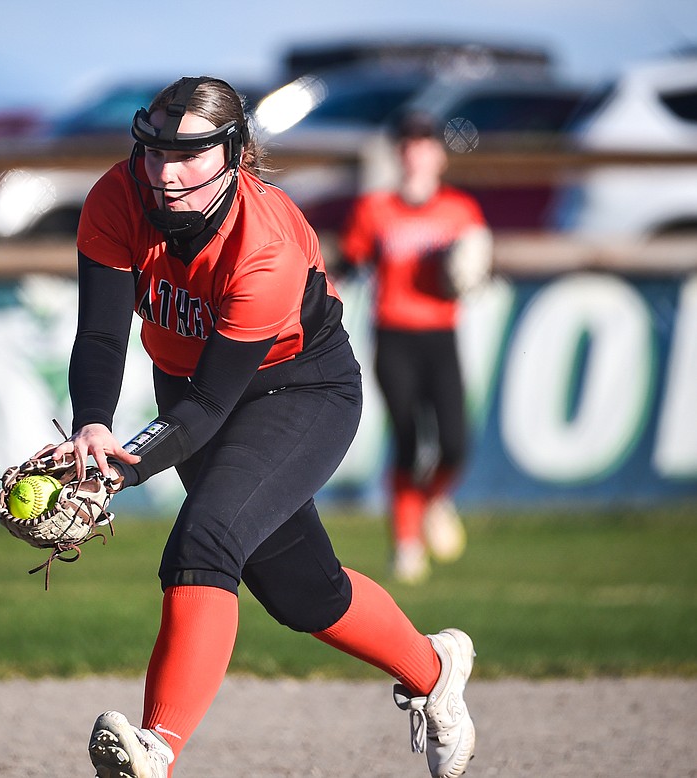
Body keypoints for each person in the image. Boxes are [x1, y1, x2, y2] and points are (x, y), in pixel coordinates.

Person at [45, 76, 476, 778]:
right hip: (184, 383)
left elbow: (211, 410)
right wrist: (93, 427)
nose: (165, 171)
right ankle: (435, 669)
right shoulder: (116, 197)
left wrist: (120, 469)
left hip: (298, 390)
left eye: (189, 153)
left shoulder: (264, 242)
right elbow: (100, 337)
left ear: (234, 153)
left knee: (206, 537)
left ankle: (156, 750)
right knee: (304, 592)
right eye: (154, 150)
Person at [337, 111, 492, 584]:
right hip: (394, 336)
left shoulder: (461, 211)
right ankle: (406, 544)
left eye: (424, 142)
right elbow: (349, 264)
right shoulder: (374, 209)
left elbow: (477, 267)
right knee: (407, 438)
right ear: (398, 152)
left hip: (440, 337)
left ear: (439, 155)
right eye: (407, 142)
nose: (415, 150)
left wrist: (470, 271)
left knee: (454, 445)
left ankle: (432, 499)